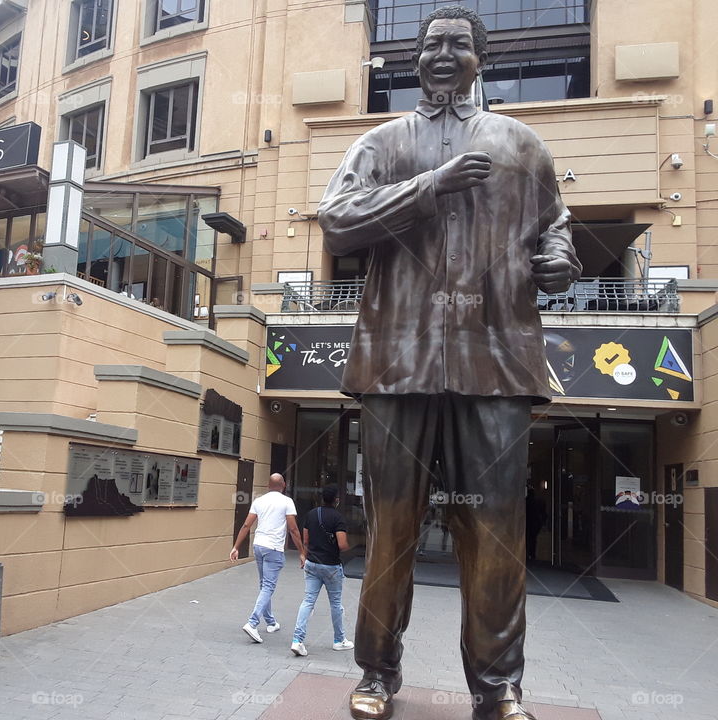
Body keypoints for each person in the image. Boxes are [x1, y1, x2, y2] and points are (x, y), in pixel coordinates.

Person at [317, 5, 580, 720]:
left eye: (456, 44)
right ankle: (376, 673)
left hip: (494, 360)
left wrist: (558, 260)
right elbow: (336, 219)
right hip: (396, 359)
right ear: (415, 59)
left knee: (496, 532)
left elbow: (553, 229)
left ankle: (498, 688)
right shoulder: (381, 141)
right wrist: (429, 187)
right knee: (392, 528)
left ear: (480, 57)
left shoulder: (522, 146)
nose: (441, 54)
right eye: (430, 44)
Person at [230, 473, 306, 643]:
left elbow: (246, 525)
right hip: (273, 548)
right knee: (268, 586)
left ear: (267, 485)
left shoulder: (259, 501)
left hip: (258, 545)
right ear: (284, 485)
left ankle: (271, 622)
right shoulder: (287, 502)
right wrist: (301, 551)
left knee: (264, 585)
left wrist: (236, 547)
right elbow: (293, 530)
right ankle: (252, 622)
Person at [290, 484, 354, 656]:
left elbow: (305, 541)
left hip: (312, 564)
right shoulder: (338, 518)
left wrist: (304, 556)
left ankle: (297, 640)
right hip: (331, 566)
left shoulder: (311, 514)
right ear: (336, 500)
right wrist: (350, 545)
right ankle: (339, 640)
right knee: (335, 604)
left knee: (308, 601)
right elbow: (342, 544)